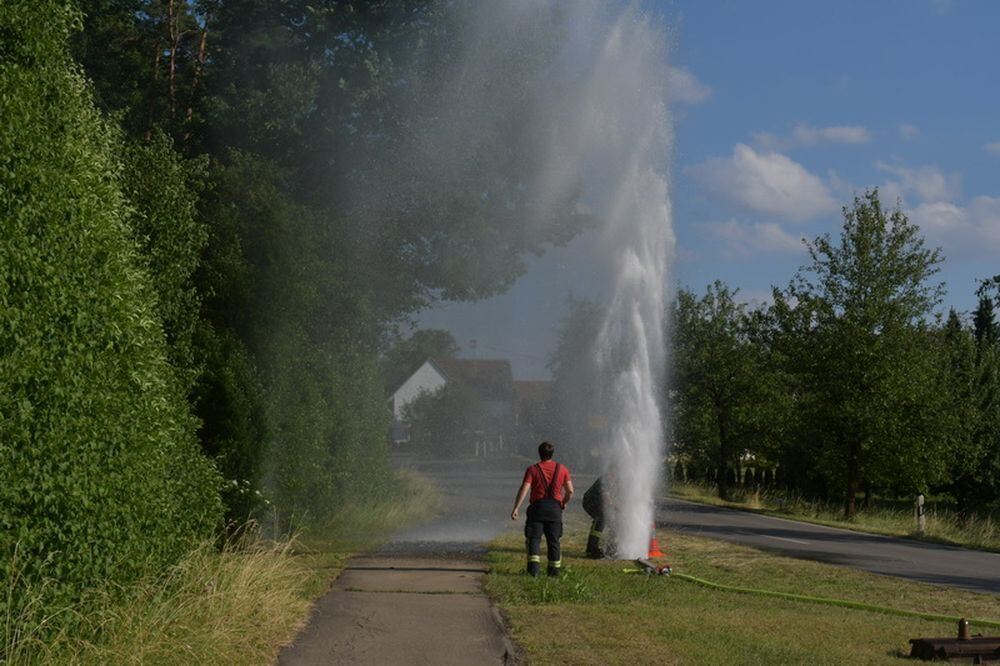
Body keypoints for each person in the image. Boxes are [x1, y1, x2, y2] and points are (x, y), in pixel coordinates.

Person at [510, 441, 574, 577]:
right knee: (554, 541)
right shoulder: (562, 469)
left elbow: (524, 489)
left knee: (534, 539)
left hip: (537, 508)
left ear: (539, 453)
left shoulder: (532, 469)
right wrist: (563, 503)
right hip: (555, 509)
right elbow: (570, 491)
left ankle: (533, 571)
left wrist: (516, 508)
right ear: (552, 453)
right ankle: (554, 573)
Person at [582, 474, 609, 559]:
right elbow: (606, 498)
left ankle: (611, 547)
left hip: (601, 505)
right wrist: (617, 507)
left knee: (614, 521)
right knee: (600, 520)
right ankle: (592, 548)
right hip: (591, 503)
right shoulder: (604, 480)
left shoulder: (617, 481)